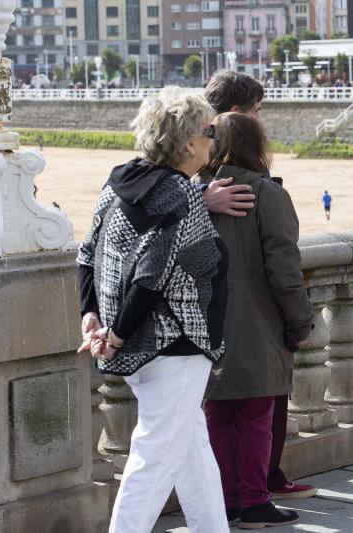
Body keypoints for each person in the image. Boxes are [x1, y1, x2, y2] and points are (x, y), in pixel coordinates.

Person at [76, 87, 230, 533]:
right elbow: (152, 275)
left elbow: (87, 254)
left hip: (137, 347)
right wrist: (117, 334)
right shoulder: (180, 196)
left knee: (191, 448)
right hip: (175, 345)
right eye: (208, 132)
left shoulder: (120, 180)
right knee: (155, 455)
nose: (212, 141)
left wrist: (92, 316)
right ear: (186, 142)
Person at [201, 69, 319, 501]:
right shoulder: (263, 192)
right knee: (258, 414)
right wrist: (301, 323)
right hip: (257, 324)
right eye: (258, 112)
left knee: (217, 413)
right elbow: (284, 269)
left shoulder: (195, 186)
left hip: (204, 327)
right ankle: (252, 497)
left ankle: (224, 499)